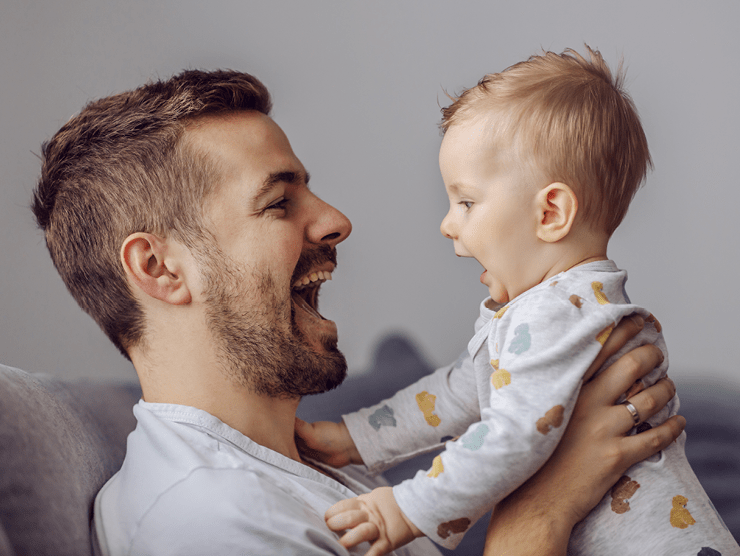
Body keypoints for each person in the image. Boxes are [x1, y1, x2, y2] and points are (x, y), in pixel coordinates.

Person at [30, 68, 684, 556]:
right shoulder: (207, 522)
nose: (337, 220)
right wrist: (542, 510)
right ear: (160, 269)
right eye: (279, 203)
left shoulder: (297, 467)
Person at [296, 47, 739, 555]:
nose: (447, 224)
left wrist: (406, 508)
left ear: (551, 212)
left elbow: (512, 439)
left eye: (466, 202)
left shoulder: (561, 313)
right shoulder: (547, 310)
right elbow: (456, 392)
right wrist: (355, 439)